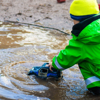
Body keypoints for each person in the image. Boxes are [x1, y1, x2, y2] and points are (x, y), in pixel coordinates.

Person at [48, 0, 100, 95]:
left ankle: (95, 89)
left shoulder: (82, 40)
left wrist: (54, 64)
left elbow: (67, 57)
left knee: (82, 59)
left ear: (77, 19)